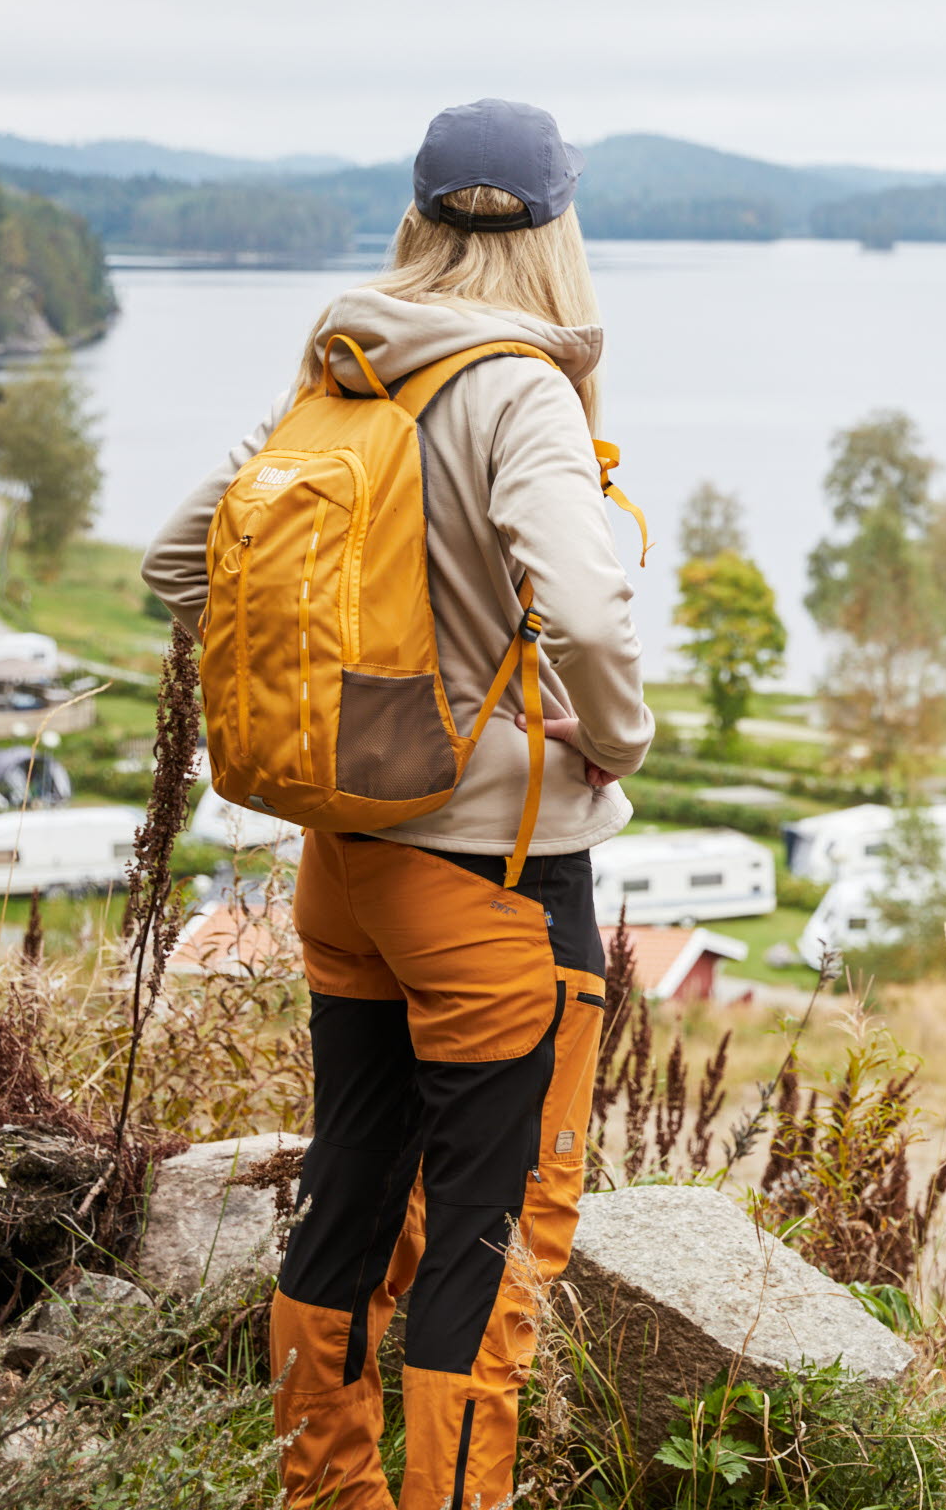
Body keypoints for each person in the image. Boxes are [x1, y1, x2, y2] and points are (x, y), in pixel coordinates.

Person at [142, 97, 656, 1510]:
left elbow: (181, 563)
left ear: (418, 217)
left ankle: (328, 1492)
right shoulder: (519, 386)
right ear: (556, 230)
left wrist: (344, 707)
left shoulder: (342, 369)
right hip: (493, 880)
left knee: (354, 1190)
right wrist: (616, 738)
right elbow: (587, 610)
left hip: (346, 863)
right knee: (492, 1235)